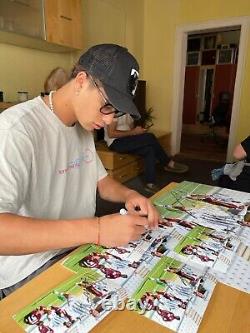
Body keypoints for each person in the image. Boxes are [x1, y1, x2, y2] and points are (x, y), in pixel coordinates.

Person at [0, 44, 160, 300]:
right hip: (30, 266)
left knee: (148, 283)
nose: (110, 120)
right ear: (81, 81)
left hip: (78, 246)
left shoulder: (82, 126)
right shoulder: (15, 131)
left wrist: (130, 194)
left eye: (116, 111)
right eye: (107, 105)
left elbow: (102, 181)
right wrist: (97, 230)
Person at [104, 114, 188, 193]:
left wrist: (138, 132)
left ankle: (150, 183)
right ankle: (167, 163)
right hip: (116, 142)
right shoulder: (113, 111)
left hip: (128, 139)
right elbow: (111, 134)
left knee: (149, 149)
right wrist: (133, 132)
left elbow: (131, 129)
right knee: (150, 137)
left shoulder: (127, 110)